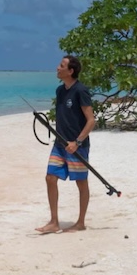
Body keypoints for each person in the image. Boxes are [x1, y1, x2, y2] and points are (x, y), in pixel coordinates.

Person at [35, 54, 95, 234]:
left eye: (61, 66)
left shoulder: (81, 91)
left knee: (81, 183)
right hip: (59, 144)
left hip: (77, 146)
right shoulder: (60, 91)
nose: (57, 68)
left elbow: (91, 120)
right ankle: (54, 222)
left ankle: (80, 222)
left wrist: (77, 142)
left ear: (71, 71)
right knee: (50, 178)